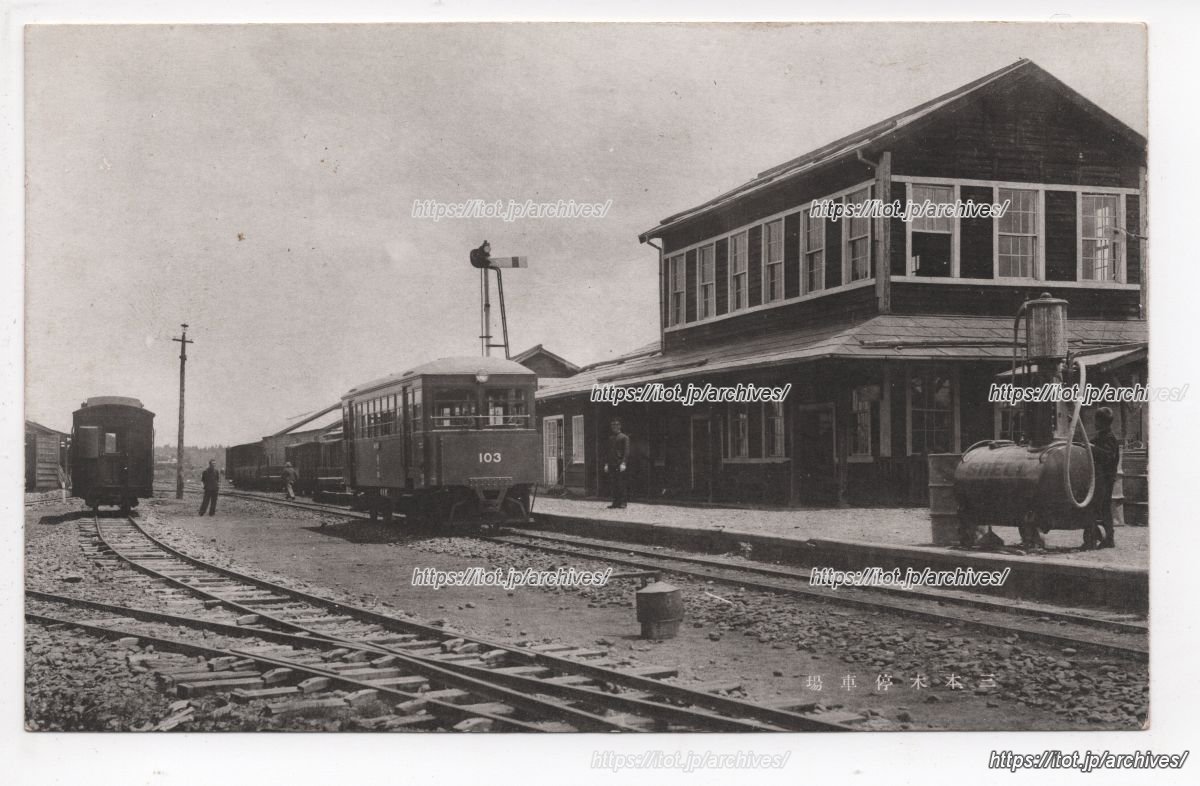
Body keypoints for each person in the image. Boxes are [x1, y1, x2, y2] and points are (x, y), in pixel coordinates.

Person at [1089, 407, 1120, 549]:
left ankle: (1109, 538)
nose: (1094, 423)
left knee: (1104, 507)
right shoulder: (1101, 436)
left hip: (1106, 478)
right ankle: (1098, 536)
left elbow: (1107, 456)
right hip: (1100, 478)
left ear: (1102, 422)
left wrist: (1091, 448)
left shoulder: (1109, 438)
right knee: (1098, 507)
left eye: (1097, 420)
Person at [603, 417, 630, 509]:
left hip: (620, 464)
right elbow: (608, 452)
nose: (614, 427)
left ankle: (623, 502)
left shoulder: (624, 437)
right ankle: (615, 502)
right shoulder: (610, 438)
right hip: (611, 464)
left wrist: (624, 463)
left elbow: (626, 452)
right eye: (613, 425)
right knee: (613, 484)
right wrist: (606, 464)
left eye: (616, 425)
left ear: (620, 426)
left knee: (621, 484)